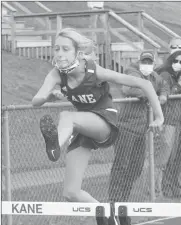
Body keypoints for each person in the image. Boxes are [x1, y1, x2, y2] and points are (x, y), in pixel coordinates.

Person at [32, 28, 164, 225]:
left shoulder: (95, 71)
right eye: (56, 49)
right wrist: (47, 95)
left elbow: (143, 84)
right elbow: (36, 99)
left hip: (105, 122)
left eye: (65, 49)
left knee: (66, 116)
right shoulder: (56, 75)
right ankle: (106, 216)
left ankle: (55, 145)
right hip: (82, 127)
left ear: (78, 53)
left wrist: (159, 116)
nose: (59, 53)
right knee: (71, 192)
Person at [108, 50, 169, 212]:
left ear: (154, 64)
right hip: (126, 126)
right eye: (145, 62)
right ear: (139, 61)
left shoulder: (154, 76)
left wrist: (162, 95)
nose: (147, 65)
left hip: (141, 128)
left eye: (150, 62)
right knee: (121, 164)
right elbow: (128, 89)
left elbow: (164, 85)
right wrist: (151, 95)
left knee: (136, 166)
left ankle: (123, 199)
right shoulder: (132, 71)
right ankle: (114, 200)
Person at [159, 50, 181, 198]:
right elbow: (168, 95)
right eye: (176, 61)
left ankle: (174, 186)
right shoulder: (165, 75)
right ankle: (163, 188)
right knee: (168, 156)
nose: (178, 64)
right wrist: (178, 85)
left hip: (178, 121)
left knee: (177, 157)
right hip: (169, 121)